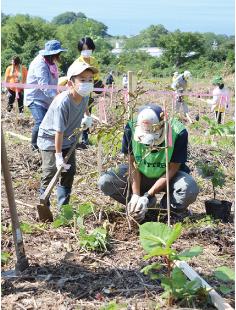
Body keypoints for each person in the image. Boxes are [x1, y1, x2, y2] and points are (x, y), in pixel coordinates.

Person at [98, 104, 199, 222]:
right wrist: (136, 195)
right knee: (105, 181)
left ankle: (164, 211)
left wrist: (148, 195)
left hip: (169, 176)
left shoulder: (178, 132)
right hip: (141, 174)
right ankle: (137, 207)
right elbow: (132, 164)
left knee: (189, 188)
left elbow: (172, 169)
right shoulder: (131, 127)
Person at [37, 61, 98, 208]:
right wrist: (58, 156)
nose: (87, 83)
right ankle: (43, 203)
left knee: (69, 171)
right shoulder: (62, 102)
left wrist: (87, 117)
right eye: (82, 80)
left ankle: (63, 207)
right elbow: (59, 131)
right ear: (71, 83)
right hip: (50, 139)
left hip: (68, 139)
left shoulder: (84, 96)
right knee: (50, 170)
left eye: (90, 79)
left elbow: (84, 107)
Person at [58, 37, 103, 147]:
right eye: (83, 49)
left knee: (87, 116)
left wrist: (99, 85)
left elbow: (96, 77)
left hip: (88, 93)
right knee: (77, 116)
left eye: (88, 48)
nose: (86, 51)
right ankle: (74, 139)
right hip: (78, 94)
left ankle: (85, 139)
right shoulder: (77, 63)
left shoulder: (94, 61)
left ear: (92, 49)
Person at [24, 40, 67, 151]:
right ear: (52, 54)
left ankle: (45, 144)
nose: (58, 56)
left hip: (47, 99)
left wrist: (58, 93)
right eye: (57, 54)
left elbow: (53, 83)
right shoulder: (40, 63)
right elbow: (44, 86)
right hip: (35, 98)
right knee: (41, 121)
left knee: (49, 123)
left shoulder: (51, 64)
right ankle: (34, 146)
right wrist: (56, 98)